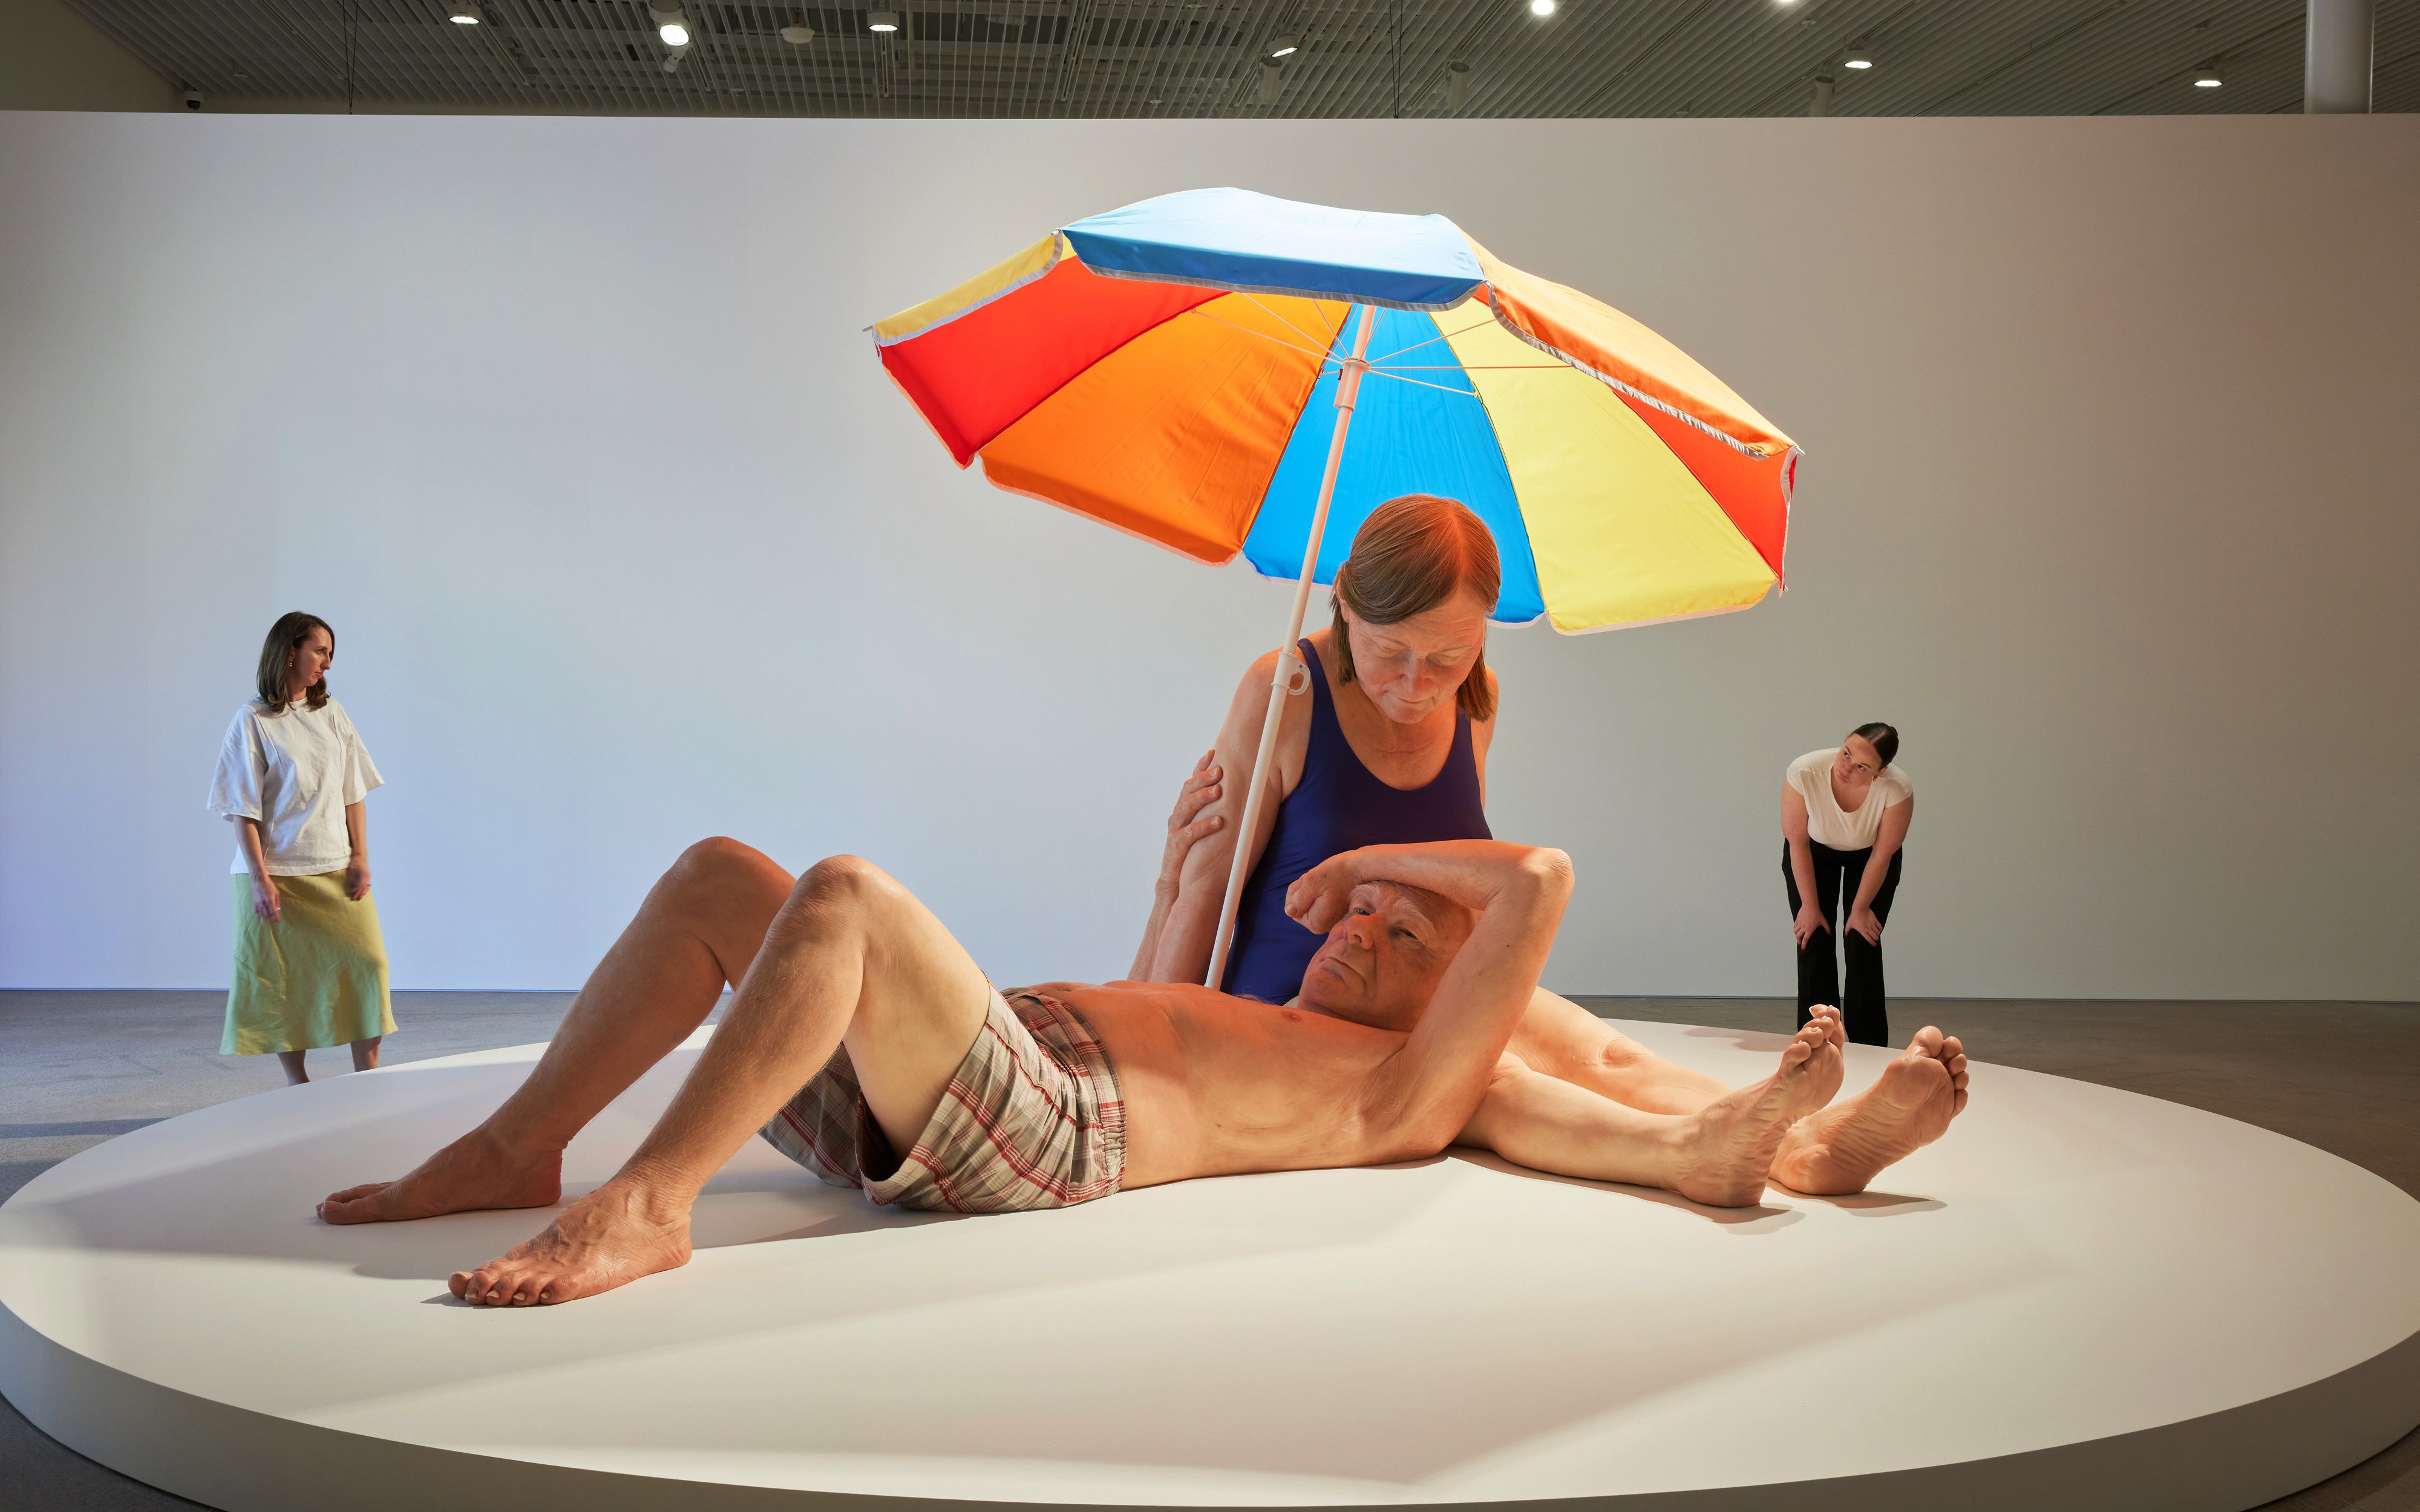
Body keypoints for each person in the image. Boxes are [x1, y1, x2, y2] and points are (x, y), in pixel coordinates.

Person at [318, 836, 1968, 1309]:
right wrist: (1235, 859)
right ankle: (521, 1143)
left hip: (1046, 1128)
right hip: (976, 1064)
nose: (1358, 919)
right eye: (1355, 909)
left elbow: (1532, 882)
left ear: (1427, 1009)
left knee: (842, 891)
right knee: (714, 878)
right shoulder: (1279, 1005)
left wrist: (1377, 857)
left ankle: (646, 1201)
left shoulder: (1398, 1088)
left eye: (1394, 931)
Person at [1134, 494, 1742, 1118]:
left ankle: (1798, 1136)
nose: (1416, 683)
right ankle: (1709, 1147)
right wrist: (1148, 1060)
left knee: (1609, 1058)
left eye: (1449, 657)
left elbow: (1458, 882)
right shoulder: (1282, 689)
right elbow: (1202, 892)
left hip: (1421, 1003)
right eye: (1389, 651)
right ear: (1343, 597)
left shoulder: (1478, 702)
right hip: (1302, 1018)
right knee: (1517, 1088)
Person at [206, 612, 394, 1085]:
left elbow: (354, 790)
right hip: (277, 876)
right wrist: (259, 878)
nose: (327, 664)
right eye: (320, 651)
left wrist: (360, 856)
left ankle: (366, 1083)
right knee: (282, 984)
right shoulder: (252, 720)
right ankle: (299, 1086)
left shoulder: (331, 713)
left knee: (367, 966)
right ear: (290, 651)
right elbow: (242, 809)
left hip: (334, 868)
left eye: (330, 654)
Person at [1782, 724, 1914, 1048]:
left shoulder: (1896, 789)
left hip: (1870, 859)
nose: (1846, 768)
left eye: (1862, 767)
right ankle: (1817, 1042)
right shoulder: (1805, 771)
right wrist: (1810, 908)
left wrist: (1860, 909)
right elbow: (1796, 842)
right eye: (1846, 754)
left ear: (1880, 772)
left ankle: (1869, 1047)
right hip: (1812, 853)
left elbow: (1883, 854)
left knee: (1861, 940)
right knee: (1812, 936)